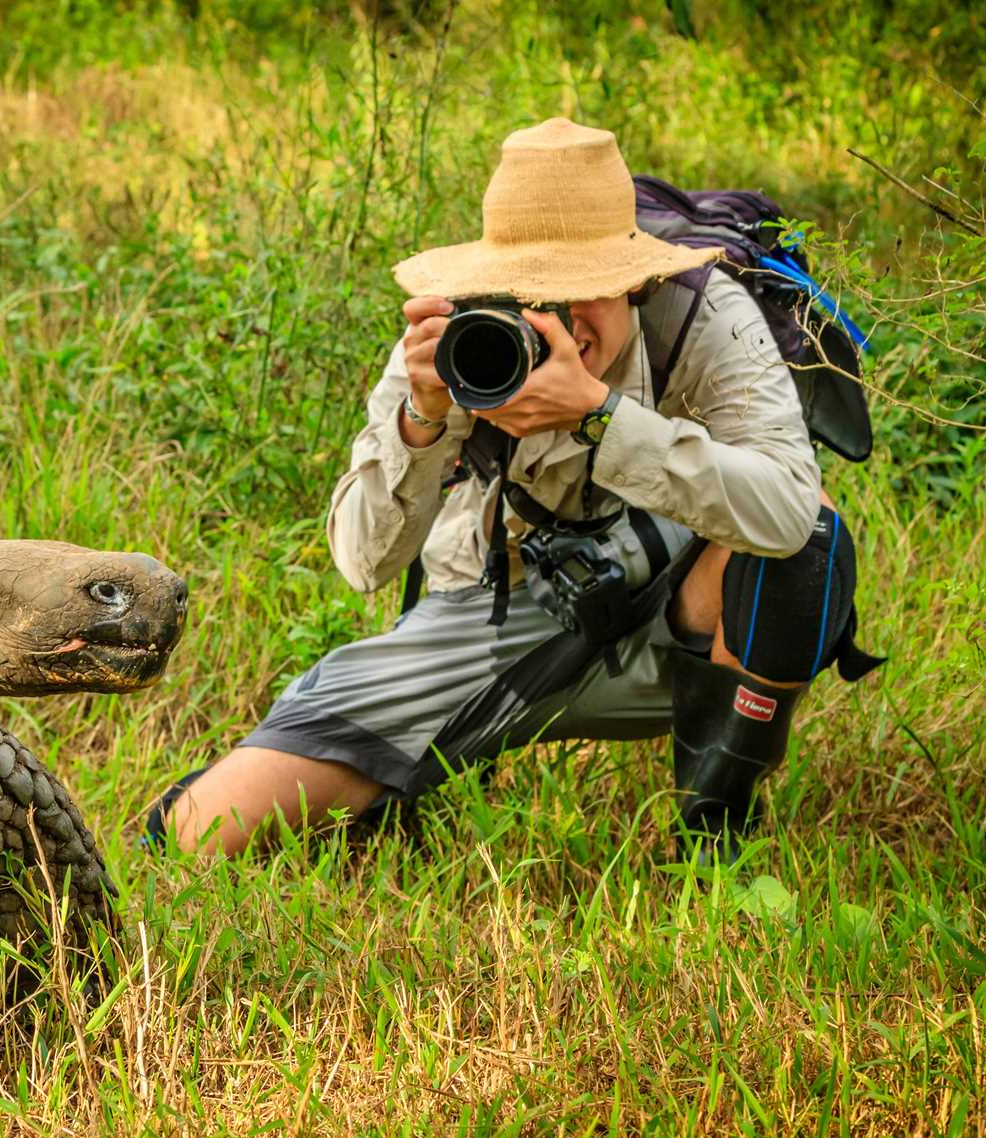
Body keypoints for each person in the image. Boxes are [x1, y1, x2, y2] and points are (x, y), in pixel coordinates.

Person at [146, 117, 880, 861]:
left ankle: (715, 830)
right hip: (490, 612)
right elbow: (364, 564)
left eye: (584, 290)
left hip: (669, 597)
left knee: (810, 541)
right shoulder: (459, 335)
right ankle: (403, 783)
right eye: (533, 294)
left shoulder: (703, 312)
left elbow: (788, 513)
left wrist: (602, 418)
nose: (557, 319)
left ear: (632, 278)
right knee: (198, 832)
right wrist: (423, 418)